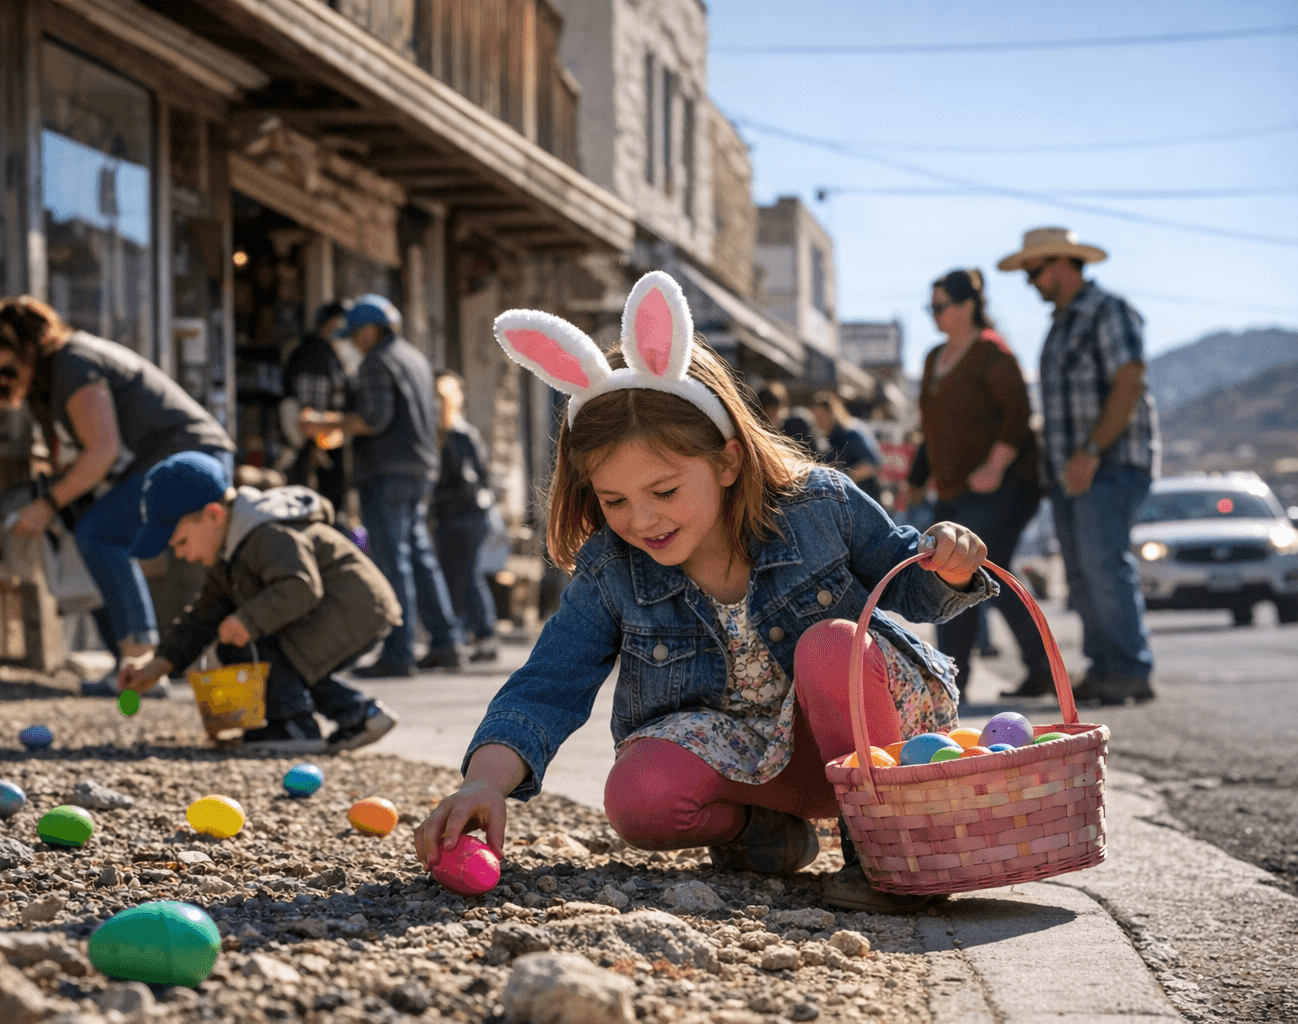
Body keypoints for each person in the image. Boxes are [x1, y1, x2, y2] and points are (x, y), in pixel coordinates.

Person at [413, 272, 995, 913]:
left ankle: (889, 850)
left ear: (727, 460)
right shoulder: (613, 568)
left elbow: (910, 582)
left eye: (663, 491)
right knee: (639, 799)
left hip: (873, 739)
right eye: (615, 500)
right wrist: (484, 785)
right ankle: (766, 836)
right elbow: (549, 681)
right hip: (758, 765)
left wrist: (951, 564)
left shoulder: (819, 504)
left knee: (832, 645)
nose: (641, 520)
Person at [0, 296, 234, 695]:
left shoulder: (74, 362)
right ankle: (129, 672)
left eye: (8, 370)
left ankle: (139, 660)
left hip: (190, 455)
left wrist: (48, 503)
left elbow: (102, 451)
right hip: (163, 460)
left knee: (99, 530)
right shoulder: (54, 375)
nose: (7, 382)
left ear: (29, 349)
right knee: (88, 528)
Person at [118, 452, 401, 753]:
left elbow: (300, 586)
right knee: (276, 653)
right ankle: (360, 715)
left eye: (181, 542)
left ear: (214, 515)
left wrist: (247, 620)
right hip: (337, 612)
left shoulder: (266, 533)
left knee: (260, 648)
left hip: (353, 609)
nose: (180, 554)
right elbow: (202, 619)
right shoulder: (228, 553)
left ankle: (295, 726)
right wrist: (157, 665)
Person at [999, 227, 1160, 706]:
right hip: (1072, 472)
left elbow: (1129, 380)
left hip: (1110, 463)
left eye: (1034, 270)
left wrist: (1091, 450)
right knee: (1084, 571)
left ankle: (1130, 669)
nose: (1030, 281)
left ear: (1062, 264)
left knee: (1103, 563)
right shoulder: (1062, 324)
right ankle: (1107, 667)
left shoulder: (1107, 310)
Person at [303, 294, 463, 677]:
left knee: (393, 559)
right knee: (418, 556)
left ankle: (399, 651)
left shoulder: (377, 361)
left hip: (388, 471)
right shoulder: (415, 358)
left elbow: (374, 419)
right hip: (420, 467)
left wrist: (327, 425)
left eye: (356, 334)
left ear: (371, 331)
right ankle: (445, 642)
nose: (355, 342)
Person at [919, 268, 1052, 702]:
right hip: (955, 491)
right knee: (971, 572)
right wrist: (918, 480)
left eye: (941, 307)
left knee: (966, 570)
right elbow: (932, 428)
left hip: (1006, 486)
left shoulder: (993, 353)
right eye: (931, 307)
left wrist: (995, 465)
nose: (935, 315)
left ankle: (951, 684)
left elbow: (1019, 417)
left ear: (968, 306)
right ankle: (1031, 670)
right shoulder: (933, 358)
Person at [431, 371, 500, 664]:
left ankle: (479, 635)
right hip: (467, 516)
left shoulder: (456, 435)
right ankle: (479, 635)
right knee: (467, 576)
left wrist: (440, 501)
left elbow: (468, 480)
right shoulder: (461, 433)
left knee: (463, 578)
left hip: (462, 516)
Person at [280, 300, 351, 516]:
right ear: (328, 323)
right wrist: (315, 444)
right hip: (313, 444)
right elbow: (310, 409)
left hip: (324, 440)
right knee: (314, 504)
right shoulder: (313, 353)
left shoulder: (331, 353)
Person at [812, 392, 882, 497]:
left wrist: (846, 482)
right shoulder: (827, 438)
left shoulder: (851, 434)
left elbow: (872, 463)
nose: (818, 422)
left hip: (863, 497)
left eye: (820, 418)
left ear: (832, 414)